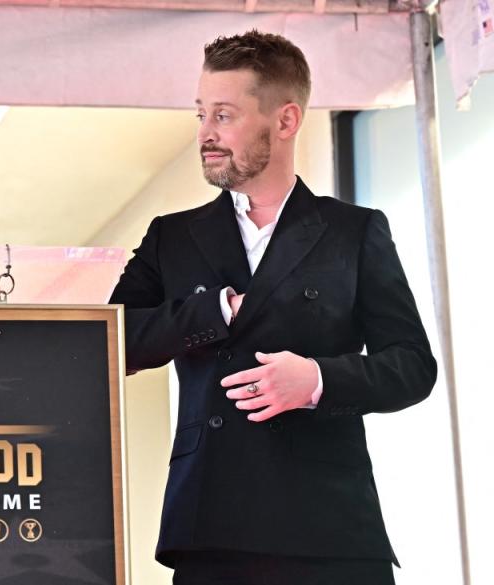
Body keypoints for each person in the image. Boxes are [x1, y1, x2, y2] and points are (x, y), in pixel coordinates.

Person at [109, 30, 436, 585]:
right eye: (201, 114)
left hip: (331, 529)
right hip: (210, 526)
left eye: (224, 115)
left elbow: (412, 366)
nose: (206, 134)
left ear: (285, 121)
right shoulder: (172, 238)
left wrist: (315, 381)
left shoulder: (352, 232)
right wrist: (211, 313)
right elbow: (112, 342)